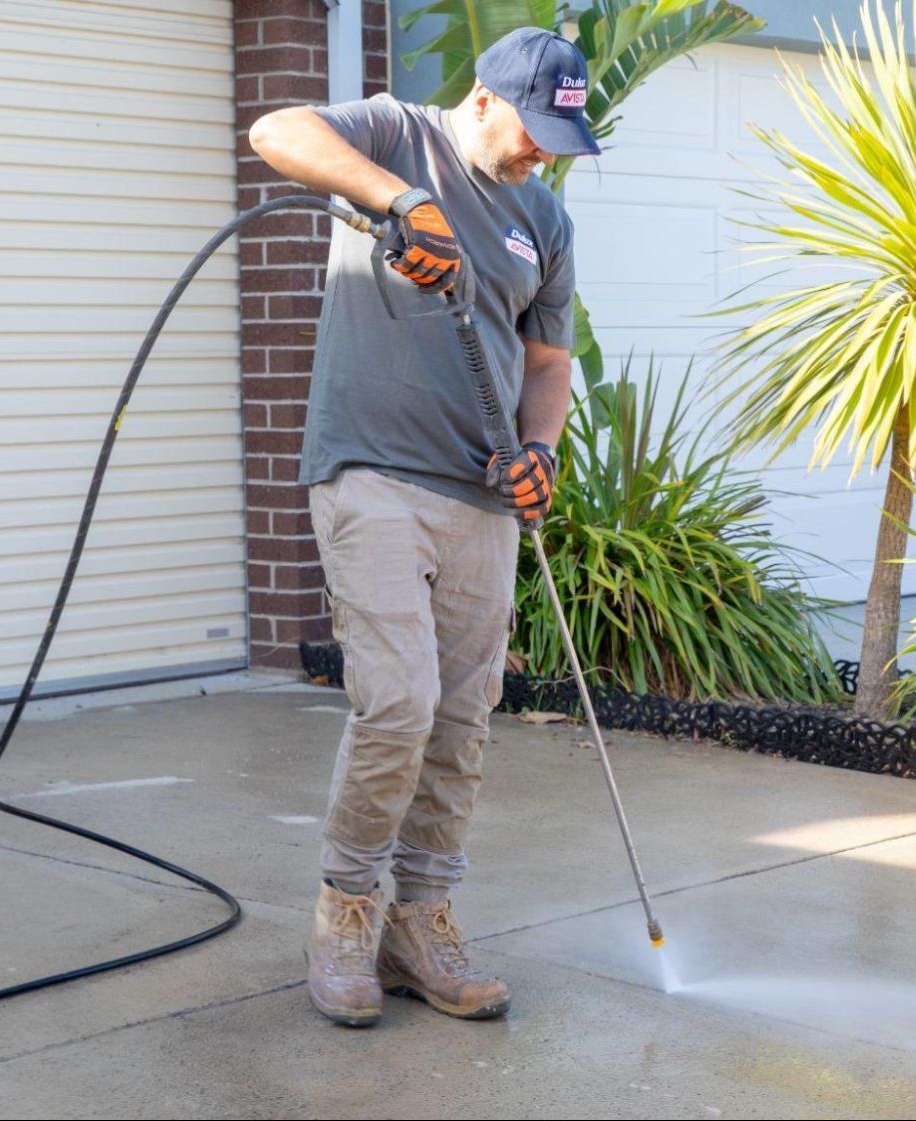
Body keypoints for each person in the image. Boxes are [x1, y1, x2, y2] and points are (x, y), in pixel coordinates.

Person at [248, 27, 600, 1027]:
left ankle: (422, 917)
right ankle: (346, 910)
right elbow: (276, 127)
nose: (543, 152)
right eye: (534, 130)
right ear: (485, 99)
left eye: (559, 137)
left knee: (461, 713)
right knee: (398, 696)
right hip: (369, 469)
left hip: (481, 490)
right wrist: (397, 201)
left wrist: (542, 451)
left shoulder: (546, 222)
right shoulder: (396, 135)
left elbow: (547, 366)